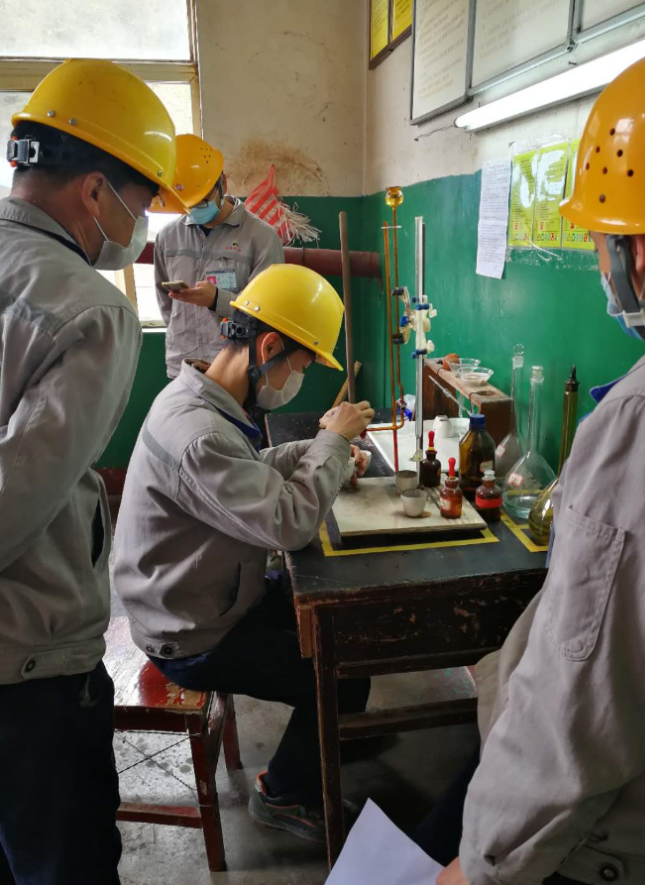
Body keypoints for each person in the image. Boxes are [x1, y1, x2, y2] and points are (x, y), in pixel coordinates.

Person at [413, 49, 645, 885]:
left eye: (598, 240)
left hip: (611, 844)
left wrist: (484, 861)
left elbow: (584, 701)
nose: (600, 263)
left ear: (638, 248)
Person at [0, 59, 184, 885]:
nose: (138, 228)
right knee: (62, 859)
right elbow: (14, 502)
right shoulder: (93, 310)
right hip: (28, 663)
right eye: (140, 205)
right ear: (96, 190)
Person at [113, 263, 374, 843]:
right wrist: (332, 443)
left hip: (213, 593)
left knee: (348, 634)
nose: (297, 380)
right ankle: (284, 793)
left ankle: (329, 736)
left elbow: (249, 471)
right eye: (301, 366)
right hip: (190, 632)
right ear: (269, 346)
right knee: (336, 671)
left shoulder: (203, 400)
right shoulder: (200, 433)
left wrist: (324, 451)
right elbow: (289, 524)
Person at [153, 133, 284, 379]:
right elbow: (166, 305)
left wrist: (217, 300)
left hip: (235, 371)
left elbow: (268, 316)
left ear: (222, 182)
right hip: (183, 367)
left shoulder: (261, 238)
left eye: (201, 199)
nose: (194, 209)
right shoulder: (168, 237)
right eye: (187, 203)